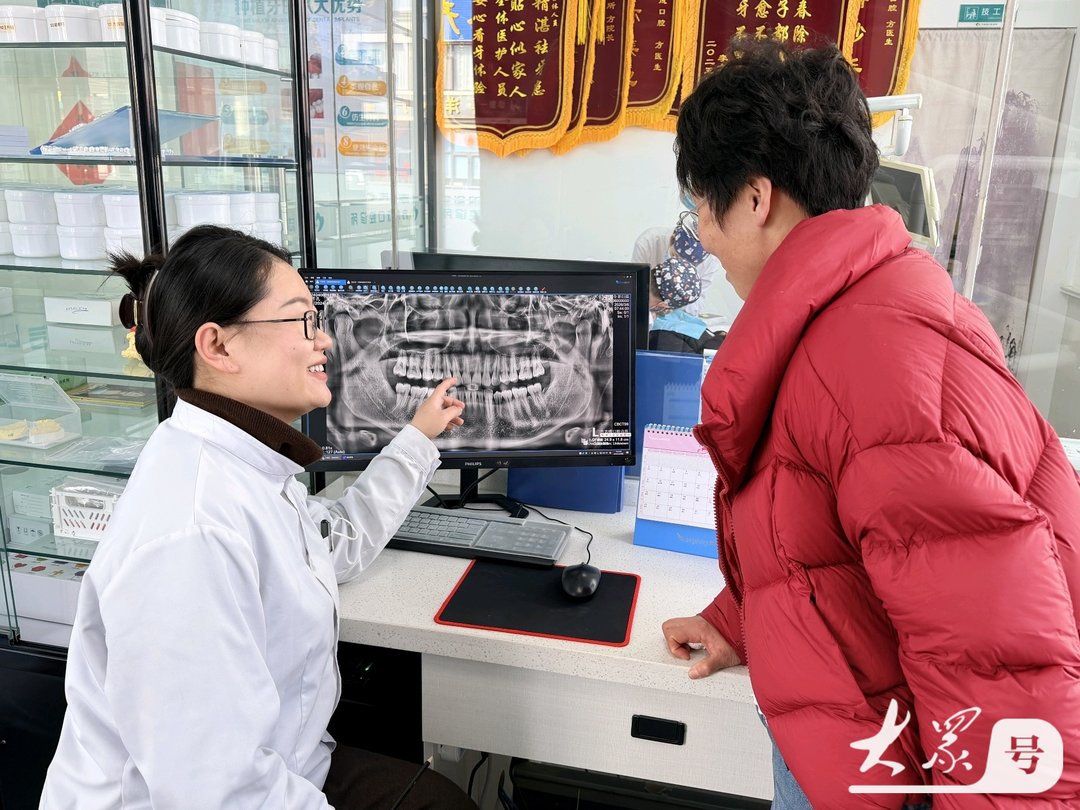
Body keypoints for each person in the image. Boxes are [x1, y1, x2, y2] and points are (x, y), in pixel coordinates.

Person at [660, 39, 1080, 809]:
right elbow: (841, 544)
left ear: (754, 198)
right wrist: (742, 618)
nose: (704, 237)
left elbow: (1001, 666)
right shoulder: (847, 315)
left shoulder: (874, 363)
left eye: (701, 208)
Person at [39, 225, 477, 810]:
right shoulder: (192, 532)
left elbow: (332, 544)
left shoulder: (244, 463)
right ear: (219, 347)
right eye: (301, 321)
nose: (324, 340)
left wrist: (418, 439)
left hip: (288, 764)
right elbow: (217, 792)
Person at [633, 220, 727, 353]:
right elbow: (634, 286)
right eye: (675, 256)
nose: (678, 268)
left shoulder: (664, 336)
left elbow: (695, 304)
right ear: (672, 239)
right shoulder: (649, 242)